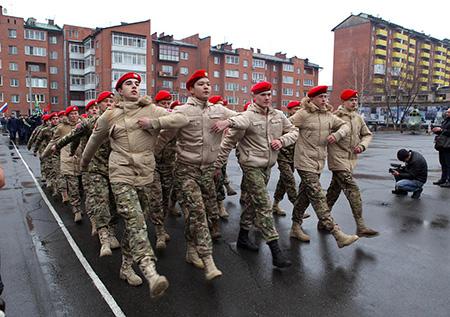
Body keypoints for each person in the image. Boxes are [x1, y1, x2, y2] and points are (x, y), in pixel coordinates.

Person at [140, 69, 237, 280]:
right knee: (198, 211)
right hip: (186, 170)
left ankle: (191, 249)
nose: (206, 87)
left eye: (208, 84)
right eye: (201, 84)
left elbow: (243, 118)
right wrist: (148, 158)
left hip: (208, 170)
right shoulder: (183, 111)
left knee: (209, 213)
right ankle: (208, 261)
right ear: (191, 89)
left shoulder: (219, 110)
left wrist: (227, 122)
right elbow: (164, 136)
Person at [81, 72, 172, 297]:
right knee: (136, 220)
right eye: (128, 84)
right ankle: (150, 271)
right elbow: (93, 140)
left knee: (135, 221)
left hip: (144, 174)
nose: (134, 86)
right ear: (119, 91)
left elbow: (179, 120)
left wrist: (156, 123)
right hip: (119, 173)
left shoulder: (150, 110)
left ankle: (126, 266)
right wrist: (83, 163)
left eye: (137, 84)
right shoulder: (109, 116)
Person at [214, 81, 299, 268]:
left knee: (253, 203)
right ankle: (276, 250)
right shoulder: (247, 116)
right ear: (254, 97)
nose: (267, 98)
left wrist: (282, 141)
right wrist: (217, 167)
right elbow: (228, 142)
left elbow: (294, 131)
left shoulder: (278, 115)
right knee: (263, 203)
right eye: (263, 95)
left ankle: (243, 236)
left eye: (269, 94)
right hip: (251, 165)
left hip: (267, 166)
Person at [289, 85, 359, 248]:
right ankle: (337, 233)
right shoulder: (303, 114)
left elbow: (345, 126)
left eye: (326, 97)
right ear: (312, 99)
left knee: (304, 195)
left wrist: (336, 134)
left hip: (319, 162)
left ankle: (295, 226)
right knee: (317, 194)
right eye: (321, 97)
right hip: (304, 161)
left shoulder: (328, 115)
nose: (324, 100)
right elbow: (286, 126)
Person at [326, 89, 378, 237]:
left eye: (355, 100)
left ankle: (323, 220)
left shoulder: (358, 118)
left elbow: (367, 134)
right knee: (352, 189)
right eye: (351, 100)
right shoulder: (334, 117)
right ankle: (360, 225)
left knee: (333, 191)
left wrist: (362, 145)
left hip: (351, 160)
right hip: (337, 158)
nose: (354, 102)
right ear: (343, 102)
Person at [272, 100, 302, 216]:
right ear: (289, 111)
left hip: (294, 158)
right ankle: (297, 207)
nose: (298, 111)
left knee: (283, 183)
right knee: (289, 180)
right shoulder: (286, 122)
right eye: (295, 109)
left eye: (299, 109)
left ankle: (275, 204)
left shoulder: (301, 122)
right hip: (283, 156)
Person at [432, 108, 450, 187]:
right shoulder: (445, 120)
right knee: (443, 163)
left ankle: (449, 181)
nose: (447, 113)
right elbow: (443, 131)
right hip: (442, 145)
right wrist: (437, 130)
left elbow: (447, 131)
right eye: (447, 112)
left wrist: (442, 129)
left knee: (448, 164)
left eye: (449, 112)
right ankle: (443, 179)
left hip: (448, 145)